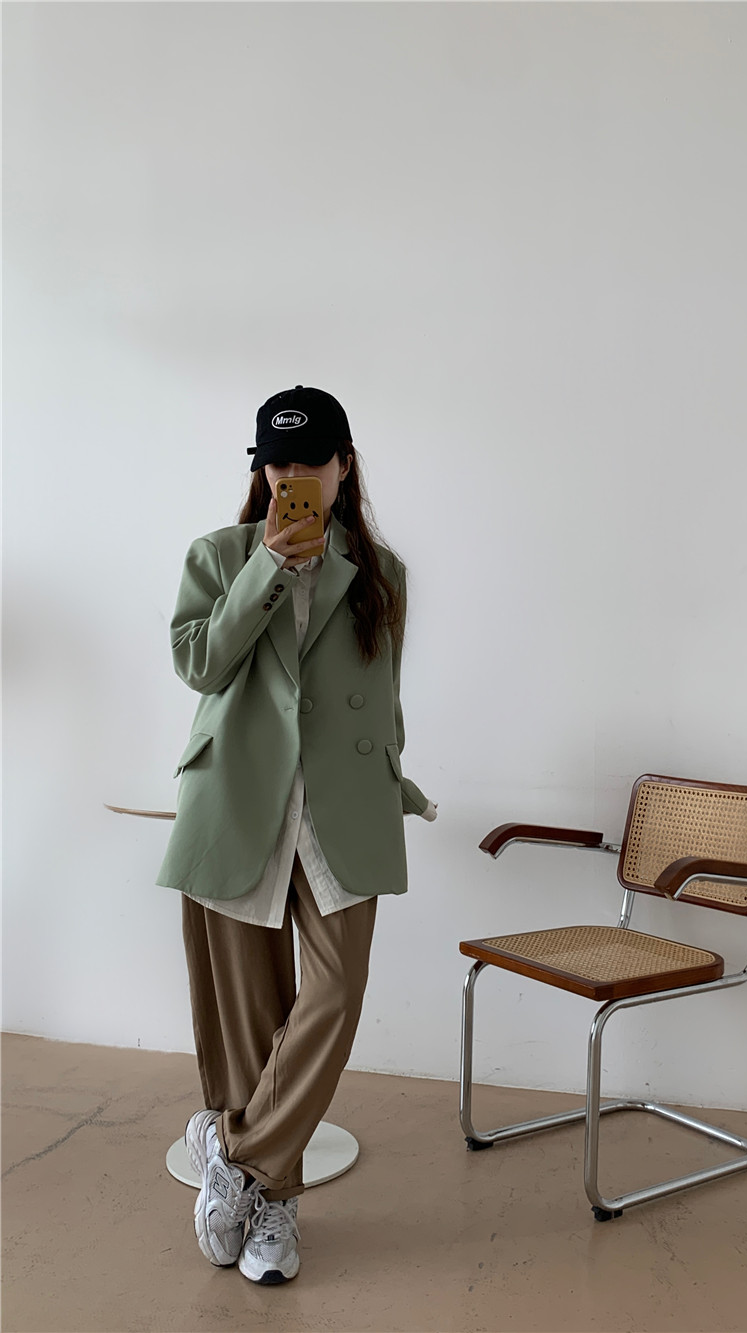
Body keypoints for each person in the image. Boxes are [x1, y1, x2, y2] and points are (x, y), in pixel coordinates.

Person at [155, 385, 436, 1283]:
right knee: (251, 1016)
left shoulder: (382, 574)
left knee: (334, 992)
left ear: (343, 465)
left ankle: (234, 1159)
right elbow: (200, 663)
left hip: (339, 807)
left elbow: (381, 699)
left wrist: (394, 778)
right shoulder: (220, 555)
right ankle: (274, 1210)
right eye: (277, 463)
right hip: (240, 800)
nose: (292, 476)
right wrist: (267, 569)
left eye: (310, 460)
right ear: (261, 471)